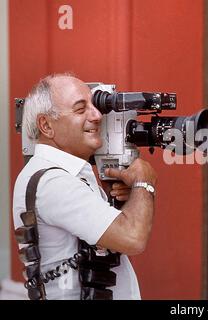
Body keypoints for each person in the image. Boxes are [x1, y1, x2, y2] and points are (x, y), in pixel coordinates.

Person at [13, 74, 157, 299]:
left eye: (95, 105)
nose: (98, 115)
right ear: (46, 125)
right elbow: (132, 238)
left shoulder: (64, 175)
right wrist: (144, 183)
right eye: (81, 110)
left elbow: (101, 245)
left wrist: (122, 204)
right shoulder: (54, 182)